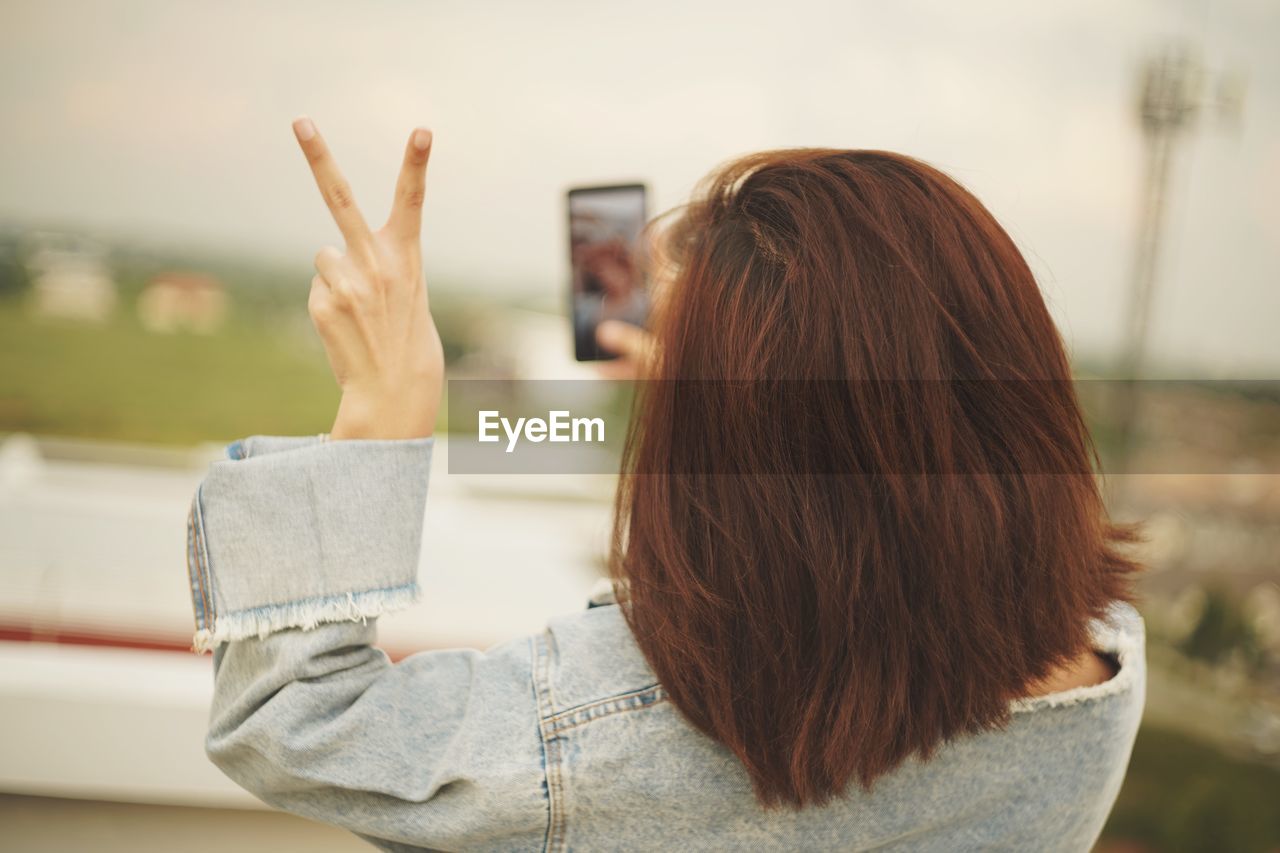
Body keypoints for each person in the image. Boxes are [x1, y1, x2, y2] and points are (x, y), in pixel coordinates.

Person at [185, 116, 1147, 851]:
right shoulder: (1101, 671)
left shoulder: (615, 735)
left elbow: (297, 725)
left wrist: (377, 414)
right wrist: (722, 398)